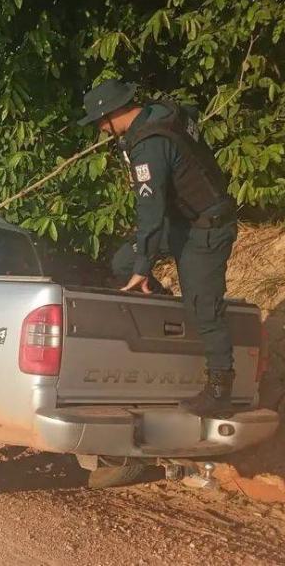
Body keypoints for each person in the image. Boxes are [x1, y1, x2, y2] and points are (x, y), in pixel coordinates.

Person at [77, 79, 239, 418]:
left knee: (204, 308)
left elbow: (150, 215)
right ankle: (168, 306)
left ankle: (220, 387)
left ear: (112, 114)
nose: (101, 130)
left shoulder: (148, 145)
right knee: (123, 260)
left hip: (206, 228)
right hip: (183, 221)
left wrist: (143, 267)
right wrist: (138, 263)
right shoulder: (162, 112)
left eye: (100, 123)